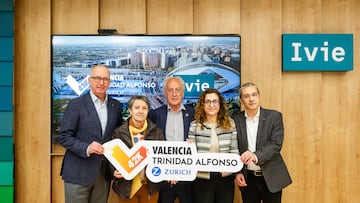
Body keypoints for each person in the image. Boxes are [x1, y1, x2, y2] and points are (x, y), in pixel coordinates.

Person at [58, 65, 123, 203]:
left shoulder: (116, 106)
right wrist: (87, 148)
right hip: (78, 173)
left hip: (103, 174)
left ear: (110, 82)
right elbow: (63, 136)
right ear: (89, 80)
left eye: (105, 79)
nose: (101, 82)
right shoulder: (76, 105)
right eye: (97, 78)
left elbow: (117, 138)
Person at [232, 82, 292, 203]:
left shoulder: (274, 117)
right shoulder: (235, 119)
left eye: (254, 94)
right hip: (248, 178)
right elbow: (233, 147)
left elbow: (276, 144)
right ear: (241, 100)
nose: (251, 99)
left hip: (271, 176)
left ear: (259, 97)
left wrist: (255, 155)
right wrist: (237, 172)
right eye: (246, 96)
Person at [187, 88, 240, 203]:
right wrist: (189, 148)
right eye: (208, 101)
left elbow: (234, 151)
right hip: (201, 178)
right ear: (202, 104)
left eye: (215, 101)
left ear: (220, 104)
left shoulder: (230, 124)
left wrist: (229, 170)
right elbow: (191, 156)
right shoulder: (194, 126)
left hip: (225, 177)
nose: (211, 105)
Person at [148, 77, 195, 203]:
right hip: (163, 177)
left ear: (183, 92)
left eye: (177, 90)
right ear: (165, 93)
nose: (174, 94)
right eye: (170, 90)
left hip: (187, 176)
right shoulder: (155, 114)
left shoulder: (193, 114)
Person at [111, 95, 164, 203]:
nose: (140, 111)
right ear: (130, 110)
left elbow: (162, 157)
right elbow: (113, 157)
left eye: (144, 108)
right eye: (137, 108)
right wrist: (114, 171)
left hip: (150, 186)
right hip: (126, 186)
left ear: (148, 110)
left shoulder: (157, 132)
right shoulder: (119, 132)